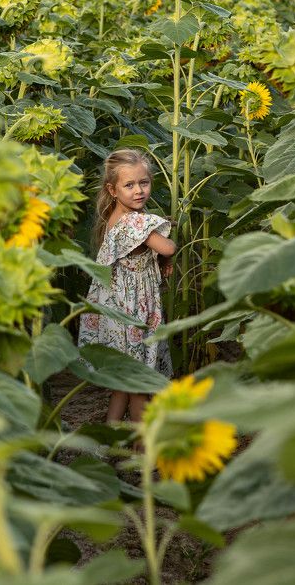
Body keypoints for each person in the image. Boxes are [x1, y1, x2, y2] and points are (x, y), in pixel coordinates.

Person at [78, 148, 176, 424]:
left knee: (123, 382)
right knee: (138, 383)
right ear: (112, 189)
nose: (138, 191)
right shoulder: (135, 222)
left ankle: (108, 440)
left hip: (117, 308)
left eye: (143, 183)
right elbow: (167, 245)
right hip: (132, 311)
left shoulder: (115, 218)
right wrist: (169, 253)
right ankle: (141, 441)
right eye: (129, 185)